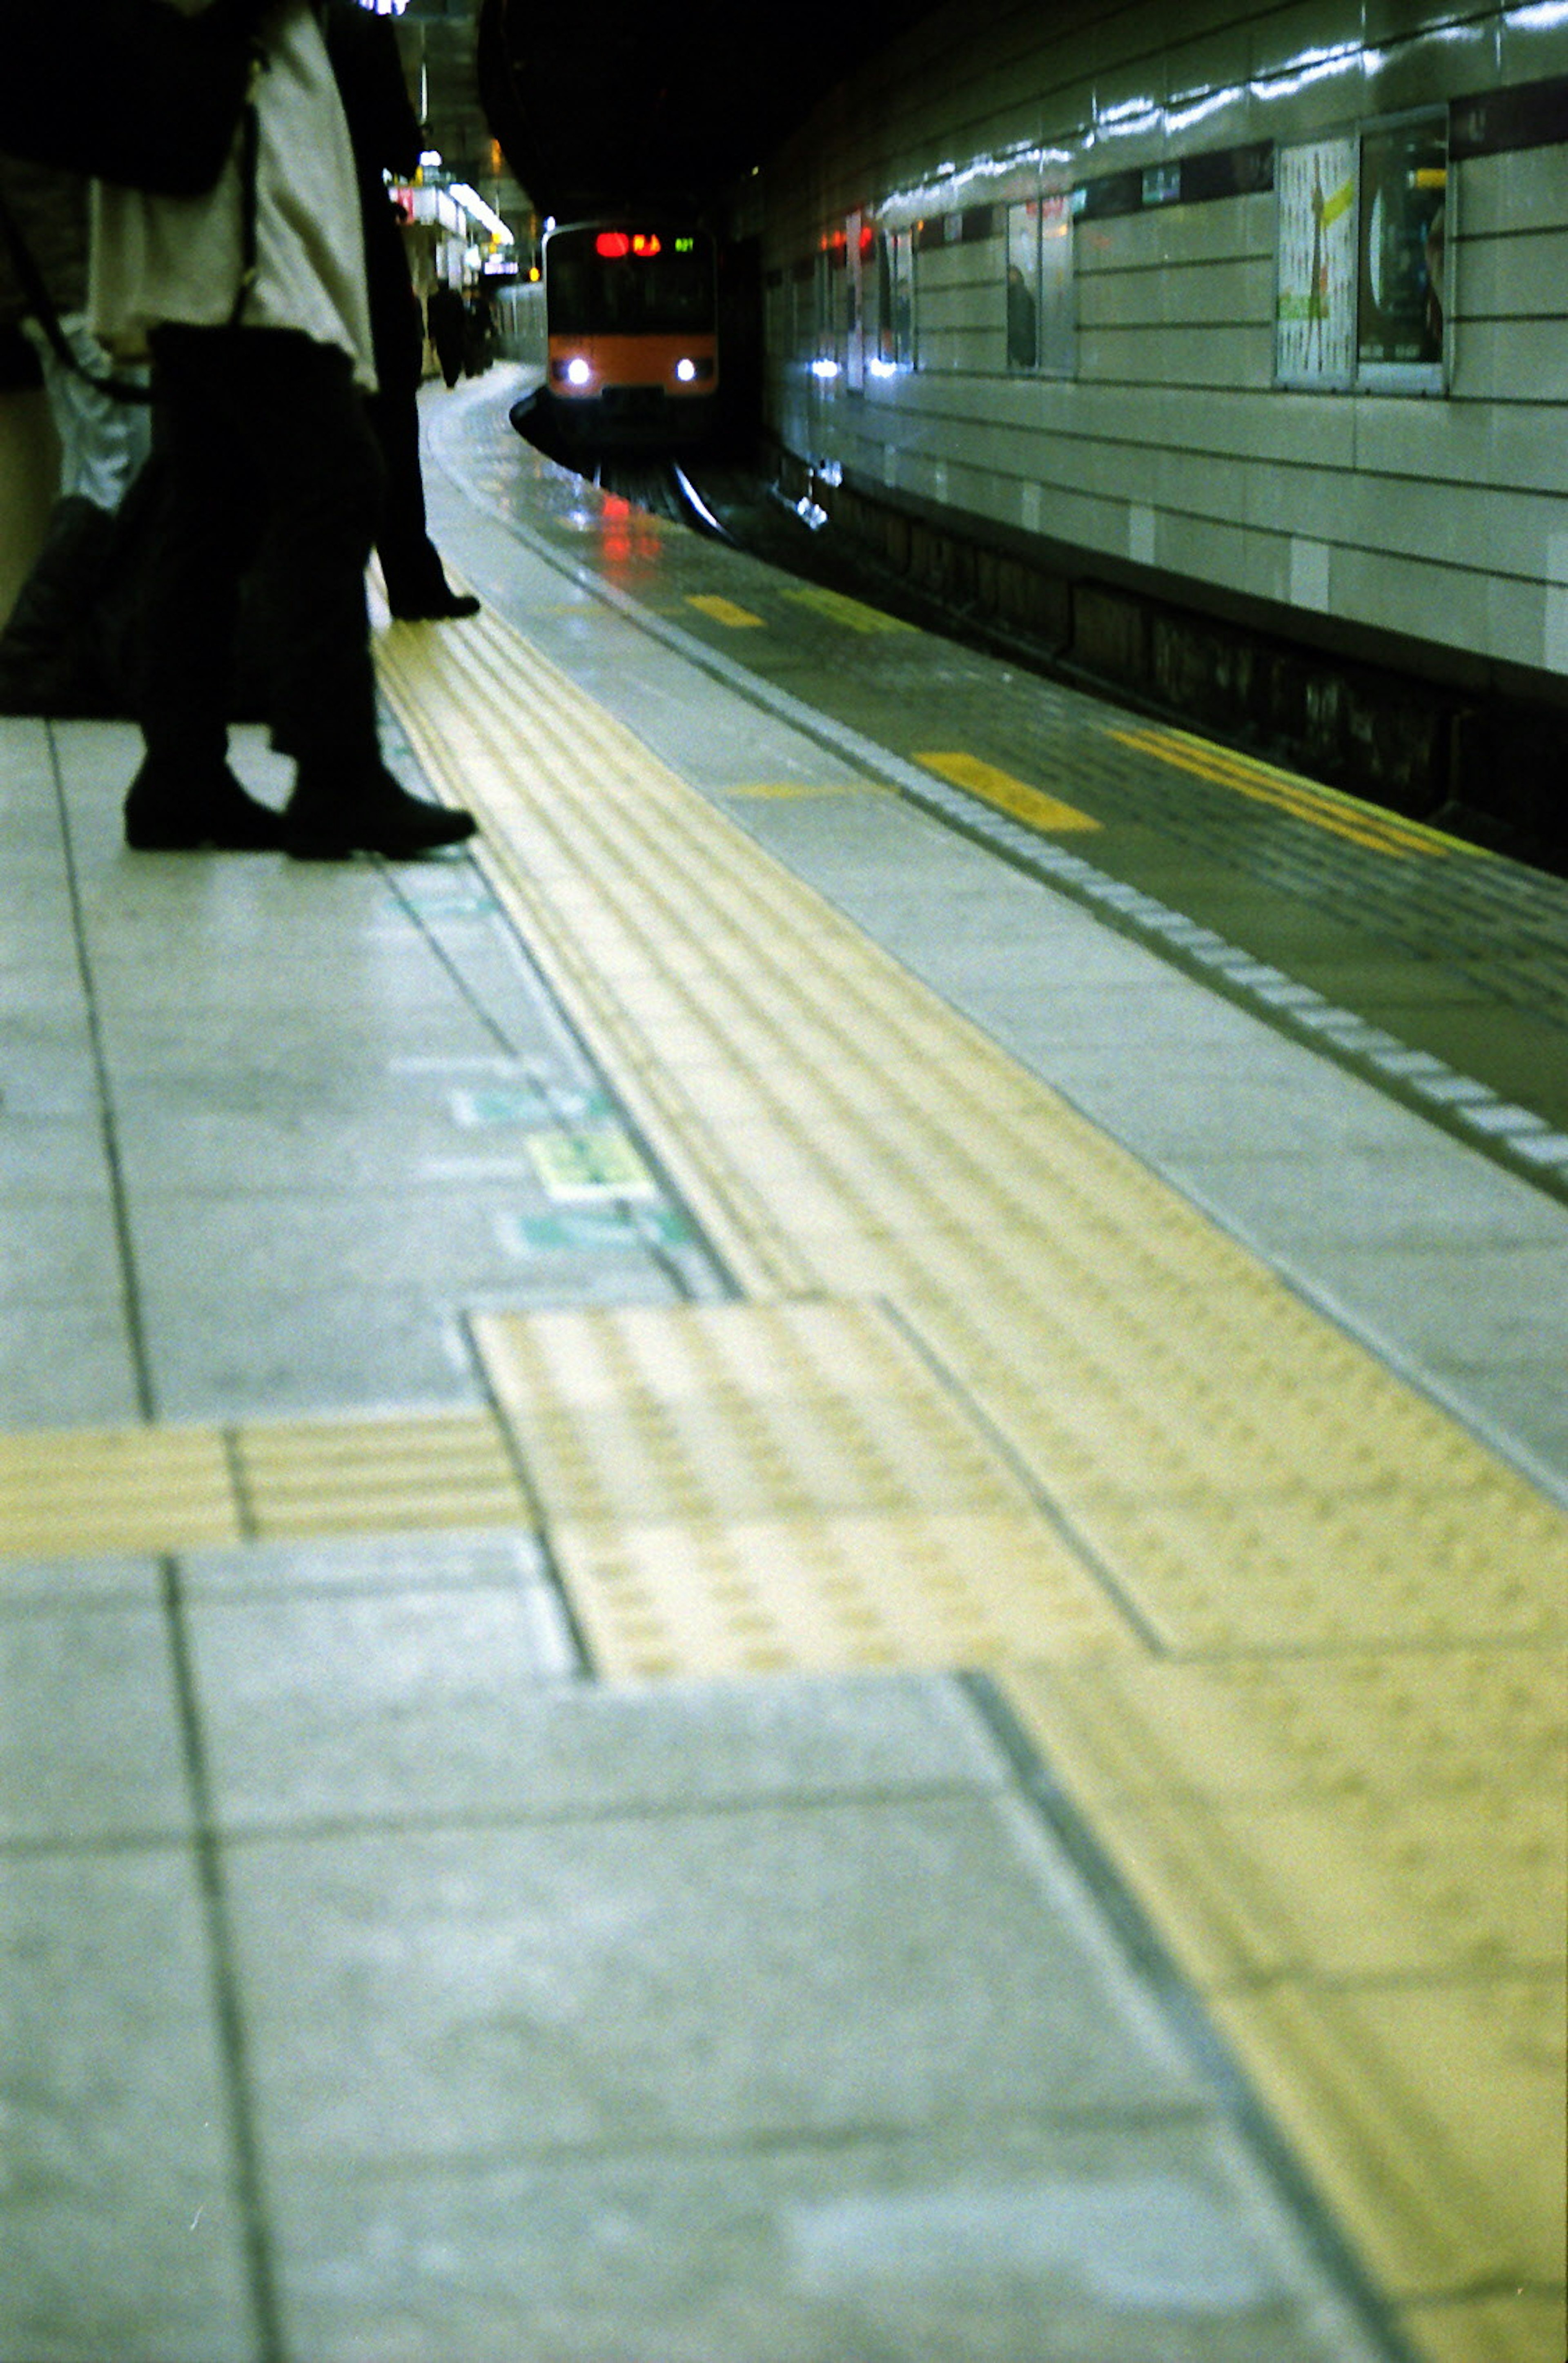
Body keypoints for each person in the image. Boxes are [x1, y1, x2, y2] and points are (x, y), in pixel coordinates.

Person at [90, 0, 477, 857]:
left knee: (211, 506)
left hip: (216, 194)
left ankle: (180, 776)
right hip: (235, 209)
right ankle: (336, 777)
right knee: (336, 483)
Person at [323, 0, 478, 622]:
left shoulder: (236, 29)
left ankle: (306, 599)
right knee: (388, 430)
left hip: (273, 258)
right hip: (359, 250)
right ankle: (411, 581)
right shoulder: (356, 30)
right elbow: (401, 150)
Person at [0, 151, 151, 708]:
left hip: (52, 295)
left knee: (94, 465)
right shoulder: (41, 83)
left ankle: (76, 649)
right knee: (111, 470)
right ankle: (28, 651)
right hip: (77, 294)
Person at [426, 278, 466, 390]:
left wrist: (431, 335)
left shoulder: (433, 299)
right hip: (455, 333)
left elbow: (431, 320)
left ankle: (448, 379)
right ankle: (454, 377)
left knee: (444, 356)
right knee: (456, 355)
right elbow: (462, 316)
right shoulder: (456, 298)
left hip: (441, 334)